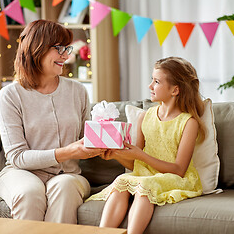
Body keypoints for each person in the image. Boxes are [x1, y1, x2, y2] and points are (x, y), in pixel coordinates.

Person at [0, 19, 105, 224]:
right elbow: (17, 156)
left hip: (69, 175)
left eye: (67, 48)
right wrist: (68, 152)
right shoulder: (10, 95)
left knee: (65, 187)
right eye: (59, 48)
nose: (66, 55)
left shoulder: (77, 91)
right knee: (29, 193)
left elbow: (86, 140)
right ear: (36, 49)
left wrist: (106, 143)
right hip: (20, 172)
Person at [86, 57, 206, 234]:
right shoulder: (145, 117)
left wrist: (139, 155)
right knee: (122, 181)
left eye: (156, 82)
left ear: (175, 90)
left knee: (144, 188)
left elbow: (179, 169)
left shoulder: (188, 123)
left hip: (174, 178)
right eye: (152, 80)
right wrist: (116, 155)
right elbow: (136, 164)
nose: (150, 86)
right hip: (145, 176)